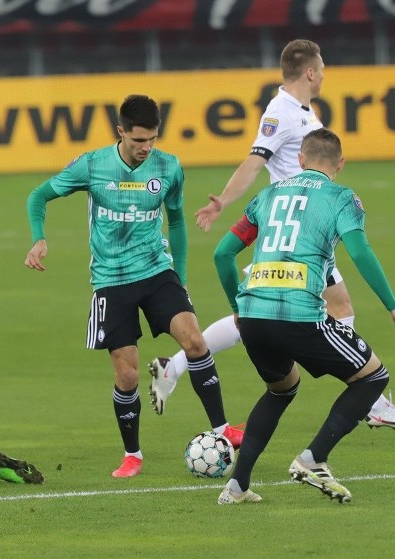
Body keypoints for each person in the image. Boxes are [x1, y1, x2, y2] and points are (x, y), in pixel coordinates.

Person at [148, 39, 395, 431]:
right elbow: (254, 161)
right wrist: (222, 201)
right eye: (322, 66)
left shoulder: (303, 112)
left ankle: (171, 367)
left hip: (300, 231)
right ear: (310, 71)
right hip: (296, 235)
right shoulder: (280, 112)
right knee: (325, 309)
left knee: (276, 314)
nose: (325, 72)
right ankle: (370, 398)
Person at [24, 94, 245, 480]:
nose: (145, 148)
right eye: (138, 140)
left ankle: (222, 429)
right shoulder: (93, 165)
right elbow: (38, 195)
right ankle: (133, 455)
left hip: (157, 271)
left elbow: (175, 221)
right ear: (121, 132)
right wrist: (38, 238)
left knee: (194, 341)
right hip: (111, 280)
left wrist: (182, 276)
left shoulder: (169, 167)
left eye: (152, 140)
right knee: (126, 376)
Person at [212, 128, 395, 505]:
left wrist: (237, 308)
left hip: (255, 313)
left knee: (281, 389)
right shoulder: (341, 198)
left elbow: (222, 255)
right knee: (372, 376)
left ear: (300, 160)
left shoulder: (268, 195)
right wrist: (394, 307)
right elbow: (360, 253)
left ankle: (236, 486)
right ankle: (314, 459)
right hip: (299, 315)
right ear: (340, 164)